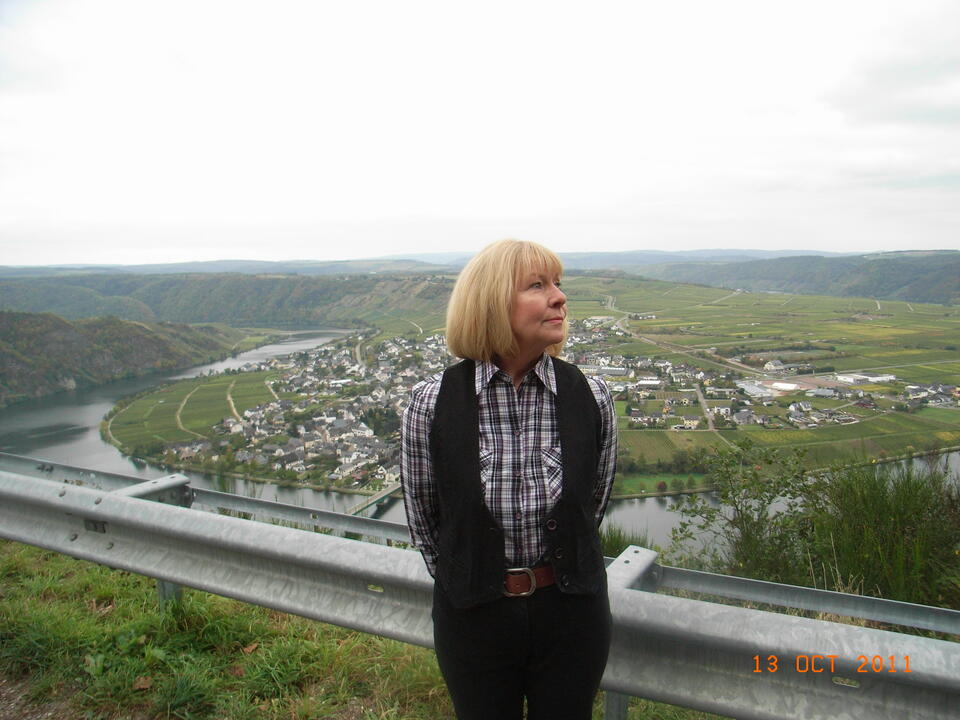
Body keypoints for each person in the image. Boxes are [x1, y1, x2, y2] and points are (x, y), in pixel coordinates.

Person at [401, 239, 618, 720]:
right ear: (492, 302)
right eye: (538, 285)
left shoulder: (592, 397)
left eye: (558, 284)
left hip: (572, 615)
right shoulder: (431, 404)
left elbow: (591, 506)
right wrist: (471, 581)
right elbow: (426, 521)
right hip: (474, 617)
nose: (559, 297)